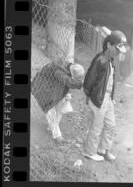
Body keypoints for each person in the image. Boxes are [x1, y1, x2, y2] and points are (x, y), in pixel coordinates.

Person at [83, 30, 127, 161]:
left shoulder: (111, 60)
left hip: (107, 99)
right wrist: (89, 96)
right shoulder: (101, 59)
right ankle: (89, 152)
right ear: (109, 45)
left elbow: (111, 82)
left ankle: (102, 150)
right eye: (117, 48)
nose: (119, 51)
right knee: (96, 127)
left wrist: (112, 97)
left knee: (110, 125)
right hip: (98, 99)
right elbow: (89, 80)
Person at [31, 60, 85, 143]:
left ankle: (52, 128)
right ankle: (57, 135)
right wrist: (81, 83)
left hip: (51, 88)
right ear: (72, 73)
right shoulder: (59, 71)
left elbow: (66, 81)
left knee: (61, 105)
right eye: (74, 78)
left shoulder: (68, 66)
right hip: (42, 89)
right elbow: (69, 82)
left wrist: (67, 94)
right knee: (50, 110)